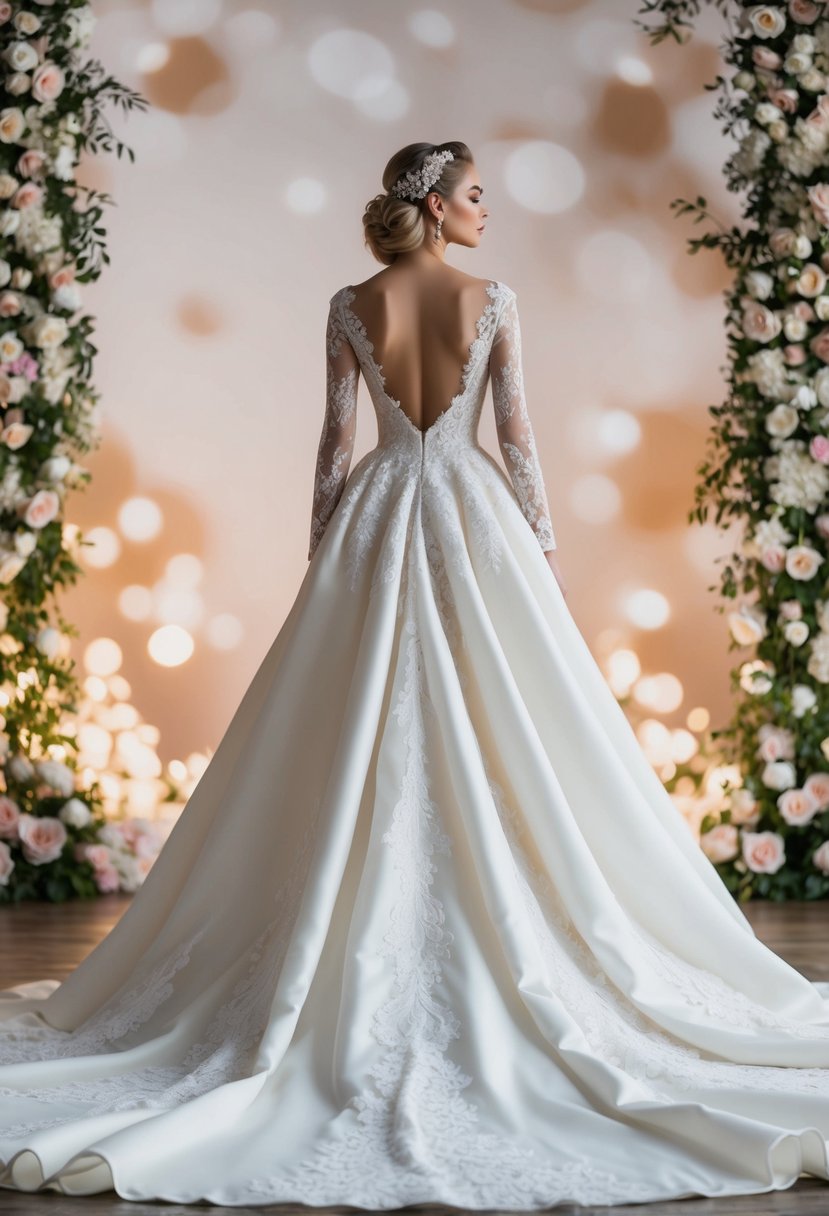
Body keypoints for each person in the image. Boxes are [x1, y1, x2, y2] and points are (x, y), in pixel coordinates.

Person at [0, 140, 827, 1210]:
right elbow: (516, 437)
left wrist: (323, 555)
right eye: (475, 195)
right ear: (434, 207)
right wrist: (536, 549)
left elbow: (333, 445)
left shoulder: (350, 304)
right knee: (507, 717)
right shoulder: (492, 299)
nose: (488, 209)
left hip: (380, 511)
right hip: (473, 512)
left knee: (350, 721)